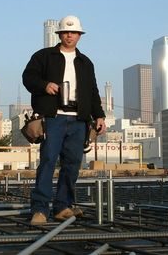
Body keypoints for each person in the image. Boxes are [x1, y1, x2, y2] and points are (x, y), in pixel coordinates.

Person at [22, 15, 106, 225]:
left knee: (72, 165)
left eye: (74, 33)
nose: (70, 36)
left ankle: (63, 207)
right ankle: (40, 209)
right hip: (53, 117)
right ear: (59, 34)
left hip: (79, 119)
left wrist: (99, 115)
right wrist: (44, 86)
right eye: (66, 32)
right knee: (48, 161)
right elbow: (28, 77)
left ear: (79, 35)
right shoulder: (44, 56)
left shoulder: (86, 62)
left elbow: (93, 92)